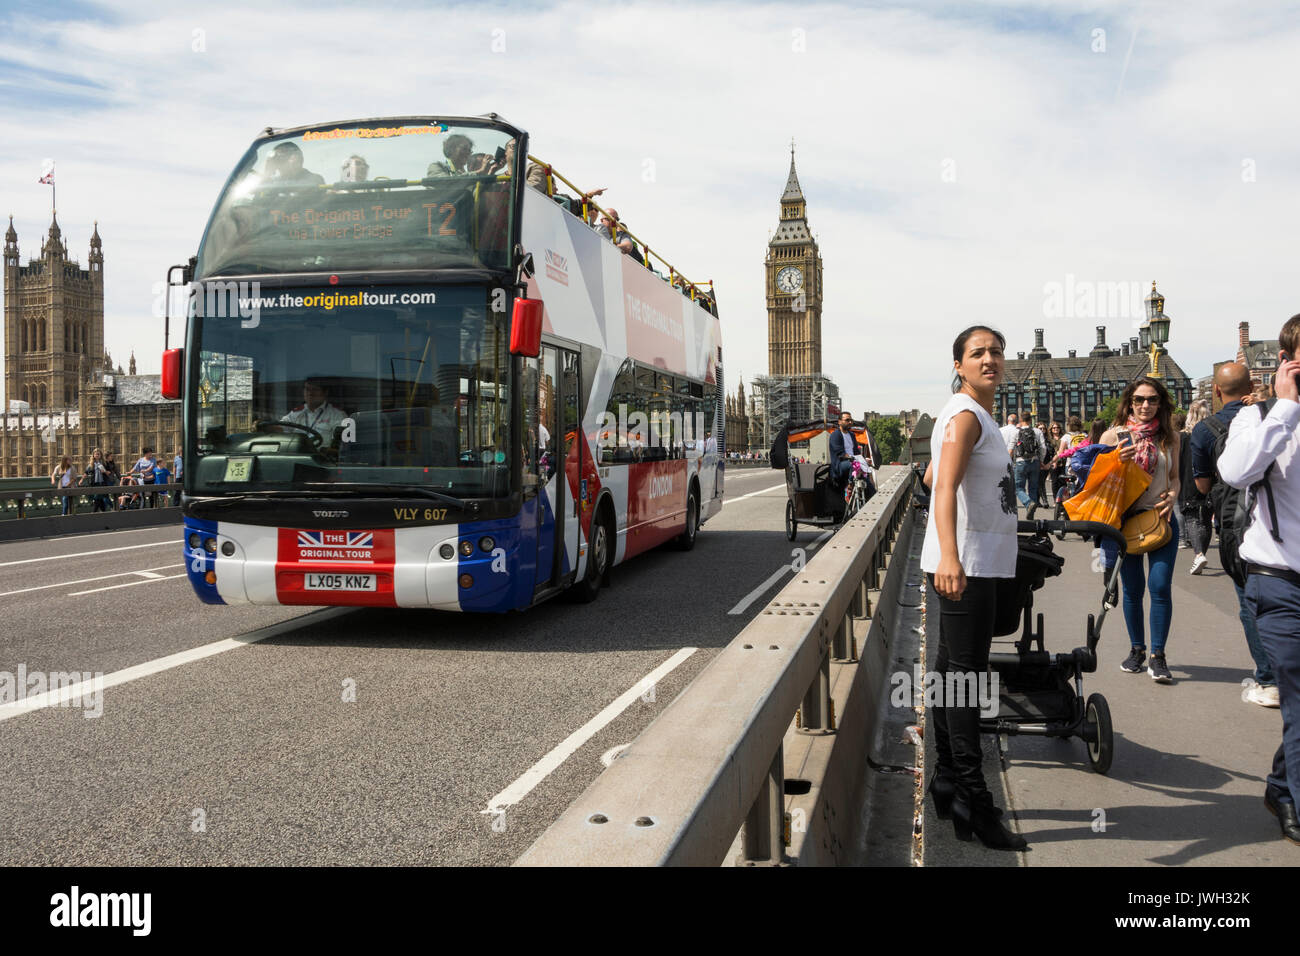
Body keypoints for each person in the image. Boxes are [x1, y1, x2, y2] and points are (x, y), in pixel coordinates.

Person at [921, 325, 1025, 851]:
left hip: (973, 560)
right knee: (966, 681)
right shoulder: (965, 413)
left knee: (948, 674)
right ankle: (974, 799)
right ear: (959, 364)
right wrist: (950, 555)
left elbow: (931, 475)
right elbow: (942, 488)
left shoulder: (965, 414)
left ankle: (944, 781)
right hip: (968, 566)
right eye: (978, 353)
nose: (990, 359)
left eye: (996, 352)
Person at [1218, 314, 1300, 846]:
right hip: (1280, 581)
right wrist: (1286, 405)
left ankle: (1281, 785)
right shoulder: (1260, 418)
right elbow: (1236, 470)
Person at [1193, 361, 1279, 708]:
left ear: (1215, 391)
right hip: (1280, 518)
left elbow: (1201, 486)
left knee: (1248, 601)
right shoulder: (1271, 415)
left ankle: (1269, 679)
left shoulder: (1204, 430)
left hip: (1235, 522)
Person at [1099, 378, 1180, 683]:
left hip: (1161, 520)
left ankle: (1158, 656)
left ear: (1161, 403)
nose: (1146, 406)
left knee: (1159, 587)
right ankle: (1137, 650)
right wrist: (1111, 463)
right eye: (1139, 400)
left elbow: (1174, 478)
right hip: (1126, 523)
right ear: (1129, 403)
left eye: (1153, 400)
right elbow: (1094, 482)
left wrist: (1173, 495)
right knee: (1133, 590)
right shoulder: (1113, 436)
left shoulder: (1170, 437)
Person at [1179, 402, 1213, 569]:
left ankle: (1199, 554)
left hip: (1188, 480)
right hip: (1209, 479)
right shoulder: (1212, 433)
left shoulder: (1183, 437)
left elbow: (1178, 461)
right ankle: (1202, 553)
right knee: (1206, 518)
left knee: (1191, 517)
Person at [280, 379, 347, 447]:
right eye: (307, 389)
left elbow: (339, 446)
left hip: (322, 456)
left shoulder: (337, 415)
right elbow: (280, 428)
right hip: (298, 455)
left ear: (325, 392)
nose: (310, 393)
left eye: (315, 389)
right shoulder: (295, 413)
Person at [1008, 413, 1044, 515]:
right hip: (1035, 461)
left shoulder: (1016, 432)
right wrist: (1040, 460)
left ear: (1020, 419)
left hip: (1020, 462)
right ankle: (1031, 510)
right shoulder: (1037, 431)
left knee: (1018, 488)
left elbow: (1011, 449)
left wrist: (1008, 462)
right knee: (1033, 487)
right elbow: (1043, 447)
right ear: (1030, 420)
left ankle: (1028, 503)